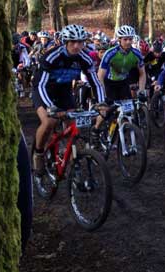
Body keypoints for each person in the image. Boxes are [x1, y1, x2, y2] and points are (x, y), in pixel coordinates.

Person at [32, 24, 106, 175]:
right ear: (65, 42)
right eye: (72, 42)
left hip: (64, 91)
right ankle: (38, 154)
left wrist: (101, 103)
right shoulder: (52, 56)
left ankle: (74, 161)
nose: (77, 45)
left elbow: (95, 82)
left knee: (74, 124)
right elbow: (41, 84)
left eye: (80, 42)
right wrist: (50, 107)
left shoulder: (85, 58)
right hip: (43, 90)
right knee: (49, 122)